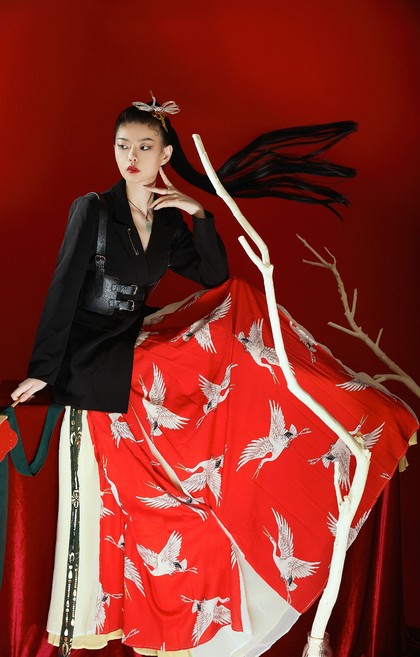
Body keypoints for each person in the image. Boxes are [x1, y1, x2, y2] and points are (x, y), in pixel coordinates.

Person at [10, 96, 417, 657]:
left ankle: (344, 404)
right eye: (123, 146)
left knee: (238, 300)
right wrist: (42, 372)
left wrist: (198, 214)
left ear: (165, 156)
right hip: (92, 350)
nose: (132, 157)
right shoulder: (94, 210)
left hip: (133, 337)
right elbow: (63, 288)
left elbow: (214, 275)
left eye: (145, 147)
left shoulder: (164, 219)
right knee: (206, 340)